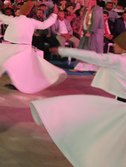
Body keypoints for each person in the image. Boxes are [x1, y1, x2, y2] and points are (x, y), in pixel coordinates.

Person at [31, 33, 126, 167]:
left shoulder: (119, 60)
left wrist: (62, 50)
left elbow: (92, 56)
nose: (114, 45)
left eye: (117, 43)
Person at [0, 1, 66, 93]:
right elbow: (45, 25)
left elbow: (2, 17)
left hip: (16, 47)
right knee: (22, 67)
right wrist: (54, 15)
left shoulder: (14, 20)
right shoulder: (31, 21)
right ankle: (18, 84)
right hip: (26, 48)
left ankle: (18, 84)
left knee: (16, 66)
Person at [73, 0, 105, 71]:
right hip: (86, 32)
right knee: (83, 50)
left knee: (94, 51)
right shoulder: (89, 9)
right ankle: (80, 67)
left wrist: (90, 31)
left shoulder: (96, 9)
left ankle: (98, 70)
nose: (84, 3)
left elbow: (95, 21)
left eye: (86, 2)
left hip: (94, 33)